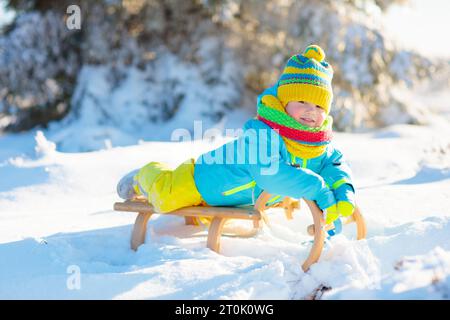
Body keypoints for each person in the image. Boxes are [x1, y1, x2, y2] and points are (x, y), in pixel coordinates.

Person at [117, 45, 356, 225]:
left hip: (235, 200)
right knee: (166, 197)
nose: (310, 111)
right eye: (302, 101)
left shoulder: (315, 143)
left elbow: (332, 163)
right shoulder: (262, 133)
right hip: (204, 181)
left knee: (201, 218)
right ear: (284, 102)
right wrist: (318, 187)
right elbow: (270, 174)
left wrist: (343, 189)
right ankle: (145, 175)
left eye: (318, 107)